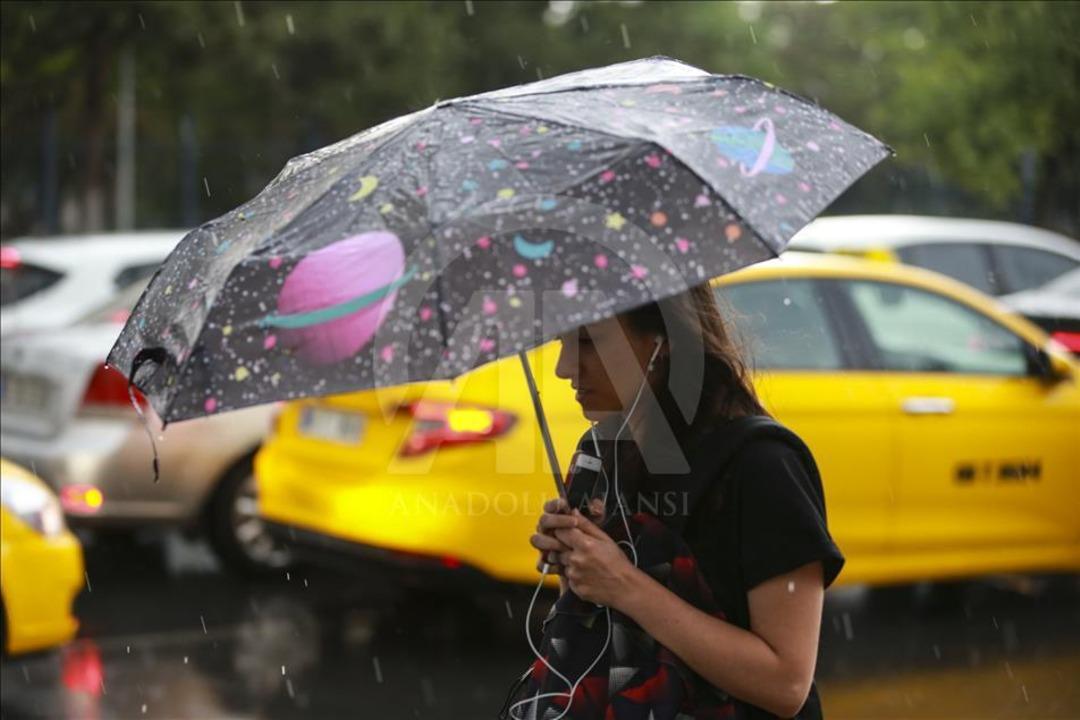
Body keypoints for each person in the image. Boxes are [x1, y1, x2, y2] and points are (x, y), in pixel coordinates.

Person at [526, 281, 845, 719]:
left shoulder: (761, 464)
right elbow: (601, 631)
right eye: (562, 342)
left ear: (662, 342)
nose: (565, 368)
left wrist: (623, 584)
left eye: (588, 343)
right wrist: (577, 563)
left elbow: (785, 684)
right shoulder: (600, 451)